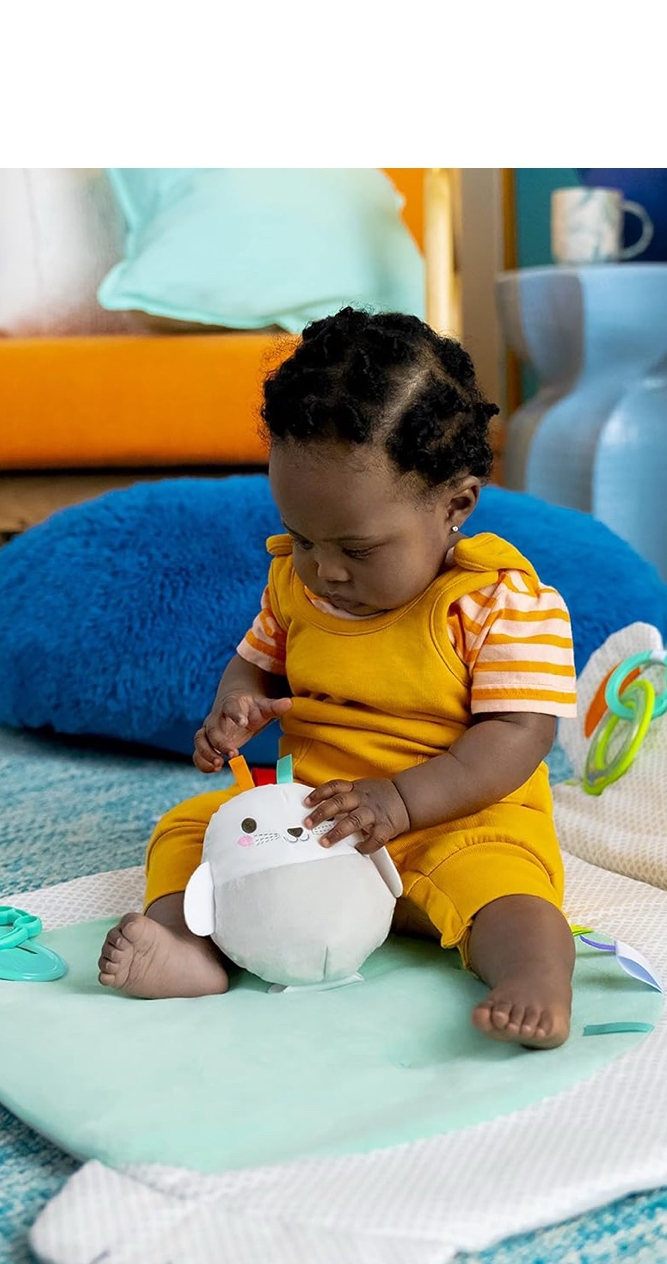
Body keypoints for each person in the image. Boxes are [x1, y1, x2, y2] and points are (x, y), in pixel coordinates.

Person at [98, 308, 579, 1047]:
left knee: (507, 887)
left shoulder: (498, 601)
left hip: (455, 819)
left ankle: (534, 978)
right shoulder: (296, 584)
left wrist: (402, 801)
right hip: (316, 819)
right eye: (302, 537)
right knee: (189, 829)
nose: (325, 569)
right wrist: (235, 707)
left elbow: (520, 733)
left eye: (358, 548)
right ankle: (185, 947)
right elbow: (254, 664)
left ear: (455, 504)